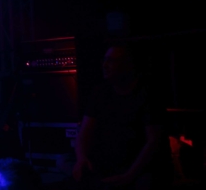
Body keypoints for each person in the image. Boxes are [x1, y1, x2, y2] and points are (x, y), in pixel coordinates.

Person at [72, 44, 171, 189]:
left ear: (129, 65)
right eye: (105, 60)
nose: (105, 65)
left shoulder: (148, 95)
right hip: (108, 163)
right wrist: (81, 158)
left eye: (111, 61)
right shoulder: (100, 92)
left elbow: (153, 142)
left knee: (146, 182)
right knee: (68, 166)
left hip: (140, 167)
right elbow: (84, 133)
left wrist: (129, 176)